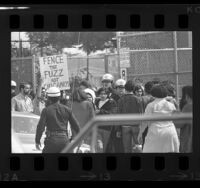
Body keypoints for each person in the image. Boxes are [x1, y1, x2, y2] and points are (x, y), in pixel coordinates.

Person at [35, 87, 80, 153]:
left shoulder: (46, 110)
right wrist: (80, 139)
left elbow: (40, 127)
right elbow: (76, 126)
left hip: (51, 142)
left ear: (48, 98)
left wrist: (37, 141)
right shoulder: (67, 110)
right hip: (65, 141)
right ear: (59, 97)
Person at [138, 84, 180, 153]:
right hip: (170, 131)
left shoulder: (151, 105)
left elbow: (145, 121)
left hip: (155, 132)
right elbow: (176, 119)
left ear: (153, 93)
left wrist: (140, 133)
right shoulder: (171, 105)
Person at [117, 80, 143, 153]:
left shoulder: (121, 100)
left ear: (125, 88)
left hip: (125, 126)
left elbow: (118, 115)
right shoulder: (138, 99)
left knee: (127, 149)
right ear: (134, 89)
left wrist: (118, 129)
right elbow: (141, 113)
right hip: (136, 125)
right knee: (138, 146)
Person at [95, 87, 117, 152]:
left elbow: (112, 114)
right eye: (101, 94)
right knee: (98, 147)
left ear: (107, 94)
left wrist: (100, 111)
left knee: (105, 147)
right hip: (97, 127)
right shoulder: (97, 101)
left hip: (107, 128)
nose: (102, 95)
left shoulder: (112, 102)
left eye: (104, 94)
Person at [176, 86, 193, 153]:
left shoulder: (188, 106)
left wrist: (174, 113)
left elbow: (179, 124)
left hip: (189, 138)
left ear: (186, 95)